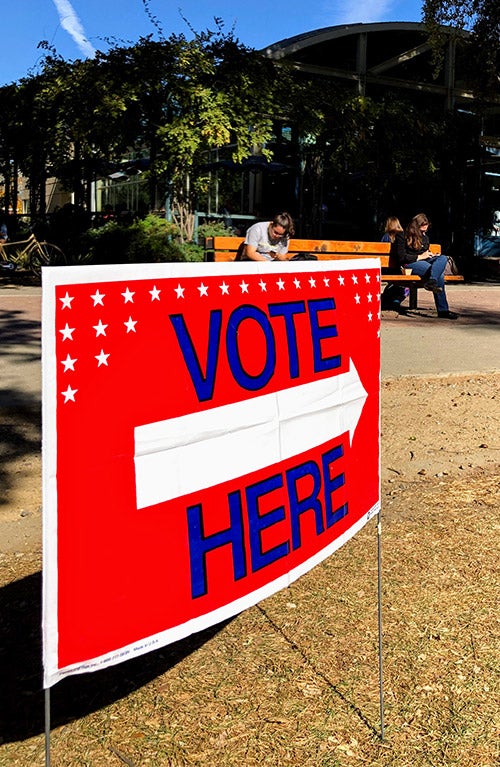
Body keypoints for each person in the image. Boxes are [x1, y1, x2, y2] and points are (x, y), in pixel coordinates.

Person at [396, 213, 458, 320]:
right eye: (422, 231)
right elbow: (402, 258)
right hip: (409, 265)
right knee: (439, 275)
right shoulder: (402, 236)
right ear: (415, 227)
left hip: (424, 261)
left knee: (442, 258)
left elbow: (425, 253)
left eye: (425, 231)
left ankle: (432, 281)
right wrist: (420, 256)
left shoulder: (425, 238)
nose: (424, 233)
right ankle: (443, 310)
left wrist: (430, 255)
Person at [380, 216, 407, 311]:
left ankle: (387, 299)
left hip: (386, 269)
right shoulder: (403, 237)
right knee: (406, 285)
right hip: (399, 269)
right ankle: (396, 301)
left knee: (395, 285)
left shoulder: (385, 237)